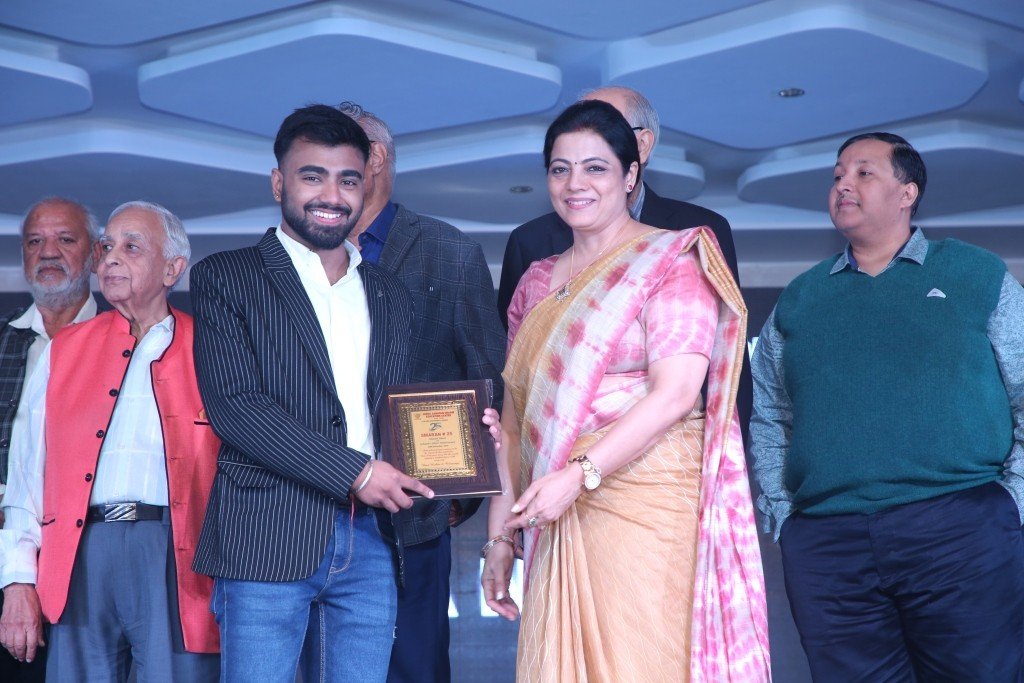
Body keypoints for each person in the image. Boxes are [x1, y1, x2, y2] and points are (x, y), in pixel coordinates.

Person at [481, 100, 769, 681]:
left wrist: (577, 476)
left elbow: (676, 395)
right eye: (560, 169)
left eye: (596, 168)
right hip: (554, 512)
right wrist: (498, 541)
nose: (575, 184)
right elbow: (514, 422)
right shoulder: (535, 281)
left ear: (630, 174)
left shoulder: (672, 260)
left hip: (649, 506)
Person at [750, 132, 1024, 681]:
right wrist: (784, 518)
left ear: (907, 193)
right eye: (837, 176)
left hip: (961, 525)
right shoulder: (799, 298)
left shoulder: (975, 272)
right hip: (827, 542)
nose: (843, 185)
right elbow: (770, 415)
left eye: (863, 172)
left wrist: (1009, 500)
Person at [189, 104, 434, 683]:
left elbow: (396, 411)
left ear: (365, 186)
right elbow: (237, 409)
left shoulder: (391, 294)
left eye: (348, 179)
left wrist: (461, 440)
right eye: (312, 176)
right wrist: (357, 472)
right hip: (267, 531)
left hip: (371, 537)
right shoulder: (227, 276)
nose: (332, 195)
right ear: (279, 182)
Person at [0, 201, 220, 681]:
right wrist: (17, 579)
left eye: (131, 247)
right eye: (107, 247)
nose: (111, 258)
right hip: (78, 551)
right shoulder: (65, 349)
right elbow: (25, 476)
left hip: (176, 555)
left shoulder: (212, 348)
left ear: (173, 269)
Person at [337, 101, 506, 683]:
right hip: (315, 509)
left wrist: (459, 497)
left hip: (413, 514)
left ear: (376, 158)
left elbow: (488, 377)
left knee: (415, 666)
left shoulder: (447, 251)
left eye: (342, 152)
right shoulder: (298, 256)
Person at [496, 86, 739, 327]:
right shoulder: (530, 244)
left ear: (642, 145)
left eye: (605, 126)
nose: (575, 183)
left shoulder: (696, 236)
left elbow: (724, 335)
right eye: (561, 168)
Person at [0, 197, 99, 681]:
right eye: (35, 241)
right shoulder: (4, 339)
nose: (48, 252)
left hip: (85, 551)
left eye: (65, 239)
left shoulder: (129, 344)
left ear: (96, 254)